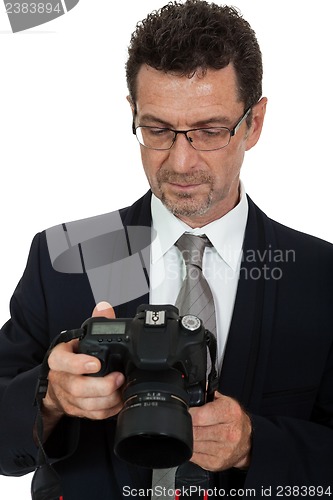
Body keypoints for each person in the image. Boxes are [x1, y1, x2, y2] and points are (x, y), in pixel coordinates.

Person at [0, 1, 332, 498]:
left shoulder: (320, 278)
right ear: (133, 114)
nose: (180, 161)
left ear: (254, 123)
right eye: (157, 130)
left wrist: (252, 444)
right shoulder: (66, 257)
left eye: (209, 132)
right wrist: (48, 399)